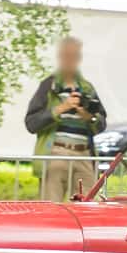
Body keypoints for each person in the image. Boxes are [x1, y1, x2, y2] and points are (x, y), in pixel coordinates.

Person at [24, 36, 107, 203]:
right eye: (66, 55)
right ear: (60, 57)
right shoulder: (49, 86)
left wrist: (88, 117)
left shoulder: (87, 88)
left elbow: (101, 123)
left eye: (74, 56)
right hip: (56, 152)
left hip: (84, 154)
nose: (70, 60)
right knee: (51, 206)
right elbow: (31, 123)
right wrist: (62, 108)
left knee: (87, 205)